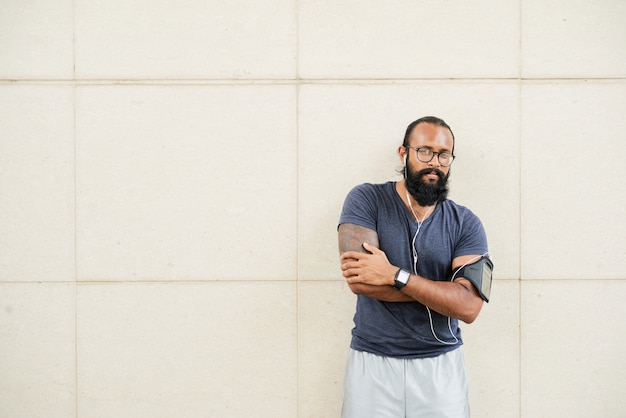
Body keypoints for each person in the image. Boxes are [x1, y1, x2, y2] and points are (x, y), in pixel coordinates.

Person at [338, 116, 492, 417]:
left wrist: (393, 275)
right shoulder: (366, 200)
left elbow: (469, 307)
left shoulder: (465, 223)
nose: (434, 162)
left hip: (440, 367)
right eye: (424, 151)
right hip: (373, 363)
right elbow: (361, 280)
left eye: (443, 154)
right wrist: (444, 293)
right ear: (403, 153)